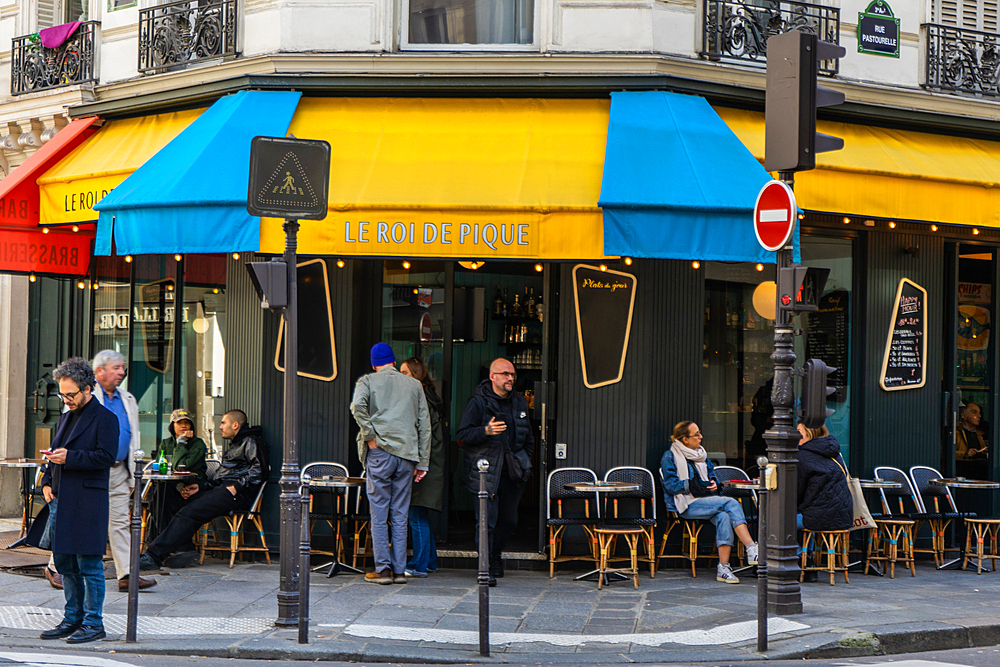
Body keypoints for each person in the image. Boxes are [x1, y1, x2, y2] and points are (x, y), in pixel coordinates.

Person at [38, 357, 118, 644]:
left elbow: (106, 458)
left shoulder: (106, 418)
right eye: (62, 394)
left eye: (71, 394)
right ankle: (72, 619)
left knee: (90, 565)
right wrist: (47, 481)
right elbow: (56, 452)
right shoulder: (66, 416)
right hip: (61, 498)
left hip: (87, 501)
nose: (66, 399)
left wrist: (70, 458)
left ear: (88, 388)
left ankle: (94, 623)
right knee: (64, 563)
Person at [138, 409, 269, 570]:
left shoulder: (251, 441)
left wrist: (236, 487)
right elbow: (221, 479)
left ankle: (153, 557)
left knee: (189, 511)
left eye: (223, 423)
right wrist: (199, 486)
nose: (220, 427)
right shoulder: (237, 443)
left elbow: (260, 472)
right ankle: (186, 549)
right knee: (173, 496)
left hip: (235, 495)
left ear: (235, 425)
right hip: (222, 490)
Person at [351, 343, 430, 585]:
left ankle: (383, 571)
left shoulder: (367, 381)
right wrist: (423, 462)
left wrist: (370, 435)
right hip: (407, 455)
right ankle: (399, 571)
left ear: (374, 365)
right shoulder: (415, 385)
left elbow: (357, 407)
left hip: (380, 453)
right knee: (400, 513)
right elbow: (424, 426)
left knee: (378, 513)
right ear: (394, 362)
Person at [456, 357, 534, 586]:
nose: (511, 378)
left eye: (513, 374)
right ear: (493, 377)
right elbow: (463, 434)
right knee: (486, 522)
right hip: (485, 472)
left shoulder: (519, 402)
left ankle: (496, 555)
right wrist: (486, 430)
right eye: (506, 374)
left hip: (512, 471)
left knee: (509, 520)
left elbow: (528, 437)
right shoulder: (478, 402)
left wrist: (525, 460)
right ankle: (486, 566)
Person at [660, 421, 758, 584]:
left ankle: (723, 568)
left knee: (724, 517)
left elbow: (713, 478)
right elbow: (670, 485)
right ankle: (751, 547)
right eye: (696, 434)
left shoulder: (702, 455)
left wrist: (714, 485)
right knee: (731, 503)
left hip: (707, 501)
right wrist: (691, 485)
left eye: (700, 433)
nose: (701, 437)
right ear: (685, 439)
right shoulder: (670, 456)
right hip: (686, 504)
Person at [400, 357, 445, 578]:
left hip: (423, 465)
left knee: (416, 514)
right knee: (421, 514)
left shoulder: (420, 398)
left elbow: (422, 434)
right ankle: (430, 562)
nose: (402, 377)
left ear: (415, 375)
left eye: (405, 372)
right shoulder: (430, 395)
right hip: (431, 464)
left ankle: (418, 565)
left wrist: (420, 464)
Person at [795, 422, 852, 582]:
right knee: (808, 519)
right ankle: (809, 559)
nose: (796, 436)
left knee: (776, 525)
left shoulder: (803, 456)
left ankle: (801, 558)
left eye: (799, 432)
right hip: (843, 515)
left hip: (820, 516)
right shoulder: (836, 453)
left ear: (809, 434)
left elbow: (798, 491)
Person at [154, 409, 209, 481]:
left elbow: (179, 468)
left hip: (193, 485)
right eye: (179, 422)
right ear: (172, 425)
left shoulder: (198, 444)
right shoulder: (166, 443)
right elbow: (159, 468)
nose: (183, 426)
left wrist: (181, 443)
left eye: (187, 422)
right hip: (169, 485)